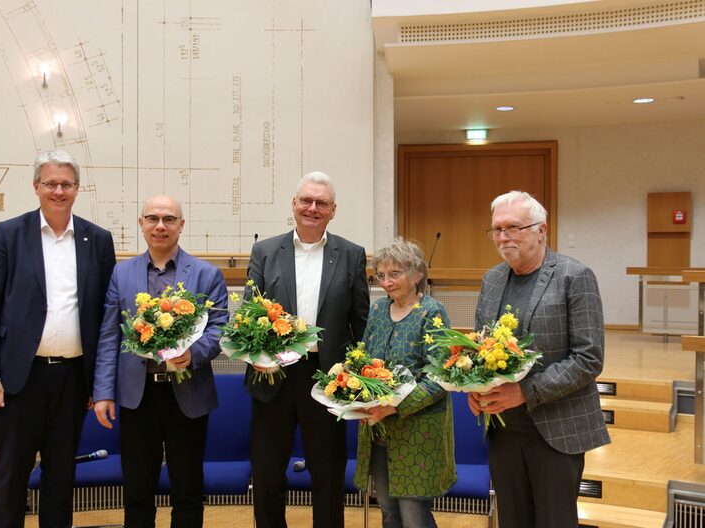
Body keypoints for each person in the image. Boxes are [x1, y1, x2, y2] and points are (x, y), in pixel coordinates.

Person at [0, 150, 116, 528]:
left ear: (77, 189)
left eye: (66, 184)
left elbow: (105, 317)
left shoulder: (97, 240)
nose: (58, 191)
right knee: (9, 479)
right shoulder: (9, 233)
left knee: (60, 479)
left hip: (72, 381)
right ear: (36, 186)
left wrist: (99, 382)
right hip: (18, 380)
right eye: (50, 183)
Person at [468, 190, 610, 528]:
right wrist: (475, 387)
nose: (503, 237)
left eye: (513, 228)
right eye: (497, 229)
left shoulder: (575, 277)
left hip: (556, 432)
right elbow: (481, 349)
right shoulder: (492, 280)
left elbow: (589, 358)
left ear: (541, 230)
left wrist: (524, 392)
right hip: (504, 431)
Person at [93, 194, 228, 528]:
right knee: (137, 492)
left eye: (169, 219)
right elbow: (110, 336)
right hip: (137, 398)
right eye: (152, 218)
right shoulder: (121, 275)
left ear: (181, 225)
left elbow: (219, 330)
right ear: (141, 224)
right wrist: (103, 393)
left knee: (188, 492)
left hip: (188, 395)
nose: (160, 226)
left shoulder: (206, 275)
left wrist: (193, 354)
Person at [247, 171, 369, 528]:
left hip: (327, 378)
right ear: (294, 204)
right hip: (273, 377)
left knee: (329, 474)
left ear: (333, 211)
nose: (312, 208)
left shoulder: (351, 254)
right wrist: (259, 358)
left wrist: (358, 379)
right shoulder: (266, 251)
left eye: (321, 203)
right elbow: (249, 317)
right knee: (268, 474)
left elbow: (359, 323)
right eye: (306, 201)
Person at [353, 237, 455, 528]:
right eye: (381, 275)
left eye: (394, 274)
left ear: (417, 274)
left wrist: (394, 408)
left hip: (418, 432)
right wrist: (354, 393)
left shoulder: (432, 313)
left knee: (414, 516)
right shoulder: (377, 311)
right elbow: (363, 361)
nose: (386, 282)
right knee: (388, 511)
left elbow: (438, 377)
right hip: (379, 431)